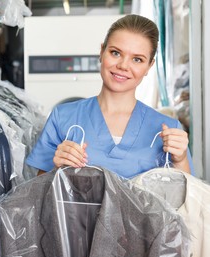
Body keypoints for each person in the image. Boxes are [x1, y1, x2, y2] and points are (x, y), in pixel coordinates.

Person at [26, 14, 194, 178]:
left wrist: (180, 160)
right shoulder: (62, 118)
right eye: (115, 53)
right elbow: (37, 195)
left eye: (137, 59)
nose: (123, 66)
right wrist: (56, 168)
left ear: (150, 66)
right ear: (102, 52)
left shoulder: (169, 129)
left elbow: (187, 200)